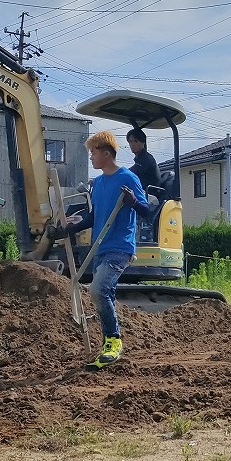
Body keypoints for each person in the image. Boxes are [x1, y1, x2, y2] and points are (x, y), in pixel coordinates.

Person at [66, 130, 151, 368]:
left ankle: (114, 341)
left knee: (98, 289)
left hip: (120, 246)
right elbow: (93, 217)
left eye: (93, 152)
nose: (90, 157)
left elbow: (147, 211)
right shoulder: (99, 183)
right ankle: (108, 348)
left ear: (106, 153)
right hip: (100, 247)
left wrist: (133, 201)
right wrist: (67, 230)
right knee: (105, 293)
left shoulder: (127, 178)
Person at [126, 128, 160, 196]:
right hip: (142, 192)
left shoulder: (146, 158)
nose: (132, 144)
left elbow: (132, 172)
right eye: (130, 141)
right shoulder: (139, 159)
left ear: (143, 143)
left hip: (151, 194)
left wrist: (118, 173)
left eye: (136, 141)